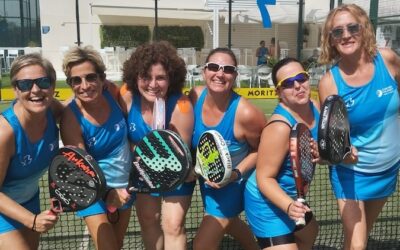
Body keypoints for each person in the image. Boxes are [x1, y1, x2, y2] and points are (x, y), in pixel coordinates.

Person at [318, 4, 400, 250]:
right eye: (337, 31)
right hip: (352, 173)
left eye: (352, 27)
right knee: (357, 245)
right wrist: (344, 151)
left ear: (364, 28)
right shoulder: (329, 82)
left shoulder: (388, 59)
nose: (346, 35)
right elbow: (331, 139)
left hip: (387, 168)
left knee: (357, 239)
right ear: (331, 40)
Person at [120, 41, 195, 250]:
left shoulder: (181, 106)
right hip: (143, 169)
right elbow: (123, 138)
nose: (153, 84)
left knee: (172, 225)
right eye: (146, 77)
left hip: (177, 170)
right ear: (136, 77)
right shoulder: (127, 97)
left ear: (171, 79)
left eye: (160, 77)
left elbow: (178, 157)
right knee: (148, 218)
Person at [189, 47, 266, 250]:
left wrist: (234, 174)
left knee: (202, 245)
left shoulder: (246, 113)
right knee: (229, 222)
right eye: (214, 67)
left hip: (234, 183)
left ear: (235, 75)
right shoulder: (195, 96)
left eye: (228, 69)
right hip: (207, 180)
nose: (220, 74)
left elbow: (262, 151)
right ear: (205, 71)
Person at [60, 46, 133, 250]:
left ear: (102, 79)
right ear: (70, 84)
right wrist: (108, 193)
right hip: (91, 191)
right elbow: (81, 172)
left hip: (124, 186)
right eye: (76, 80)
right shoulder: (71, 118)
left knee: (116, 245)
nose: (85, 86)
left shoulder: (112, 91)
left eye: (91, 77)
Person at [244, 57, 319, 249]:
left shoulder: (316, 107)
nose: (297, 86)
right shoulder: (279, 128)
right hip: (266, 203)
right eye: (287, 83)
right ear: (278, 92)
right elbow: (264, 178)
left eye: (301, 78)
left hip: (294, 198)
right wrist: (288, 206)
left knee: (309, 235)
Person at [0, 53, 60, 249]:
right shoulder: (5, 133)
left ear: (53, 85)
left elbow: (82, 111)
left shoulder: (53, 110)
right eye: (25, 84)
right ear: (16, 90)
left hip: (30, 201)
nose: (35, 90)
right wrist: (31, 220)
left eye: (43, 82)